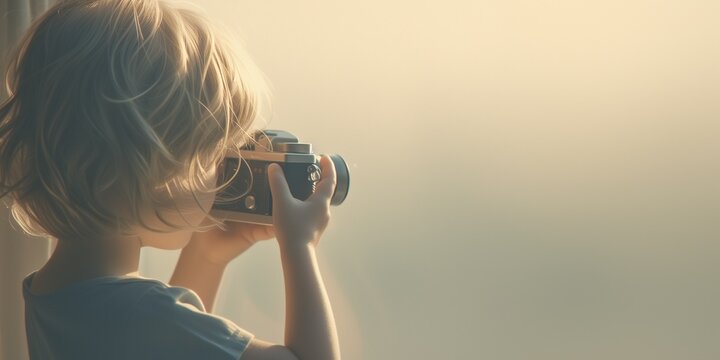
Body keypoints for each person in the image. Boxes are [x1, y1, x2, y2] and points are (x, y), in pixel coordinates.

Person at [0, 0, 341, 359]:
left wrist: (206, 256)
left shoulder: (55, 293)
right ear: (153, 170)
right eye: (212, 157)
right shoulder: (140, 312)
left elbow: (166, 345)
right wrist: (299, 246)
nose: (221, 177)